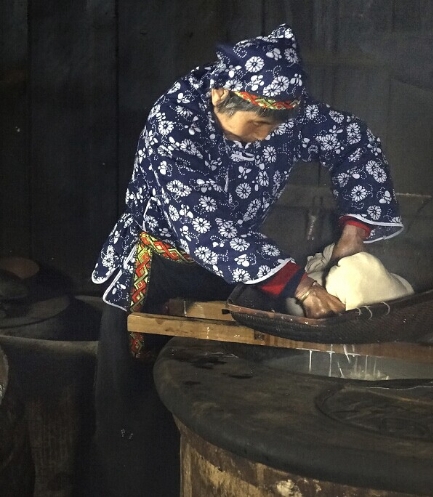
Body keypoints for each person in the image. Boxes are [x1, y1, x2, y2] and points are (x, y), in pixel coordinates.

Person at [89, 24, 402, 497]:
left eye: (274, 128)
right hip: (158, 277)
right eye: (257, 126)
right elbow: (206, 227)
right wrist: (301, 286)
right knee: (138, 421)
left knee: (211, 411)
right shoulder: (178, 123)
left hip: (231, 278)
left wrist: (353, 237)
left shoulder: (282, 113)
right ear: (221, 97)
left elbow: (354, 141)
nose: (265, 137)